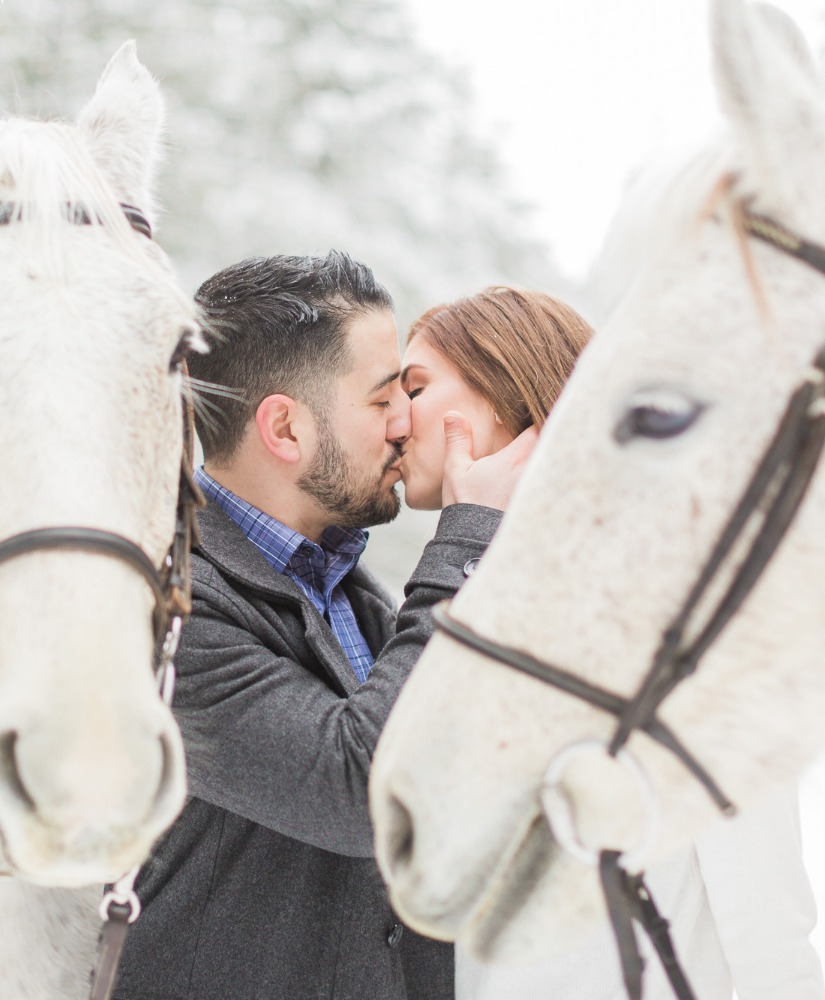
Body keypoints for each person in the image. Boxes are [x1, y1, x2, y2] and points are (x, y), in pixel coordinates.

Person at [112, 252, 532, 1000]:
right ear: (285, 428)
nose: (407, 422)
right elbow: (363, 791)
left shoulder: (351, 594)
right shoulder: (167, 613)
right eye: (382, 401)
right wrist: (468, 543)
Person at [398, 285, 825, 1000]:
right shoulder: (450, 620)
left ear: (501, 398)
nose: (391, 416)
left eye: (414, 386)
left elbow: (768, 922)